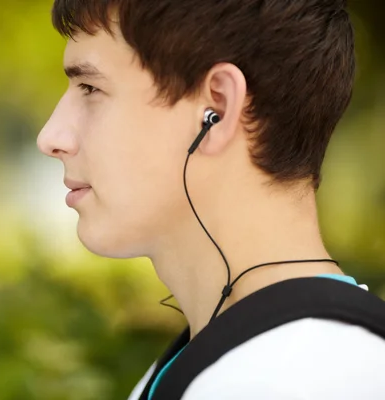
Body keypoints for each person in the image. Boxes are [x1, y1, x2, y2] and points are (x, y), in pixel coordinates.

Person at [37, 0, 385, 399]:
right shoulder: (252, 360)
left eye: (90, 88)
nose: (51, 137)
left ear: (217, 108)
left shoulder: (295, 379)